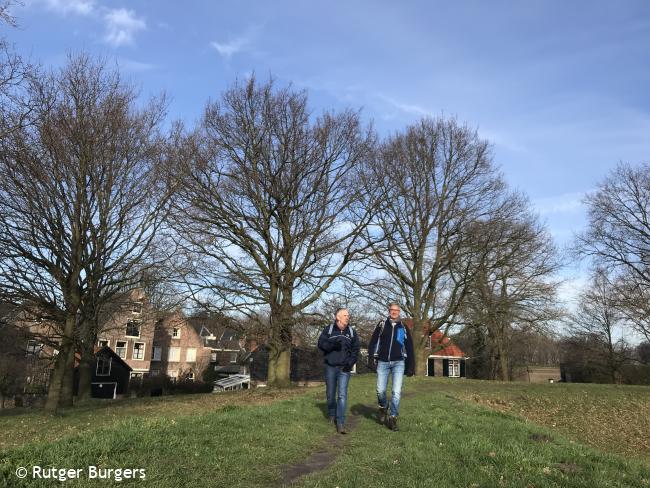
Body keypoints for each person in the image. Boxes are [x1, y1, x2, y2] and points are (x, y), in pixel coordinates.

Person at [367, 302, 415, 432]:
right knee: (380, 391)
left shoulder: (403, 327)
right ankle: (383, 407)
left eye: (396, 310)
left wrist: (412, 365)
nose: (394, 312)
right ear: (389, 311)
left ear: (399, 312)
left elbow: (409, 346)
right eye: (392, 310)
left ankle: (393, 418)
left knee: (396, 392)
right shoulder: (382, 324)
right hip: (382, 362)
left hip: (398, 362)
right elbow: (373, 341)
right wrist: (371, 358)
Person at [317, 308, 359, 434]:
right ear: (338, 317)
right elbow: (321, 344)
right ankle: (331, 413)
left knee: (342, 395)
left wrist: (350, 363)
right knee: (330, 394)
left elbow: (355, 350)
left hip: (344, 369)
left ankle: (340, 422)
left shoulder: (351, 332)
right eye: (345, 315)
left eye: (348, 315)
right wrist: (332, 345)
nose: (348, 317)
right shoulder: (329, 330)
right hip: (330, 367)